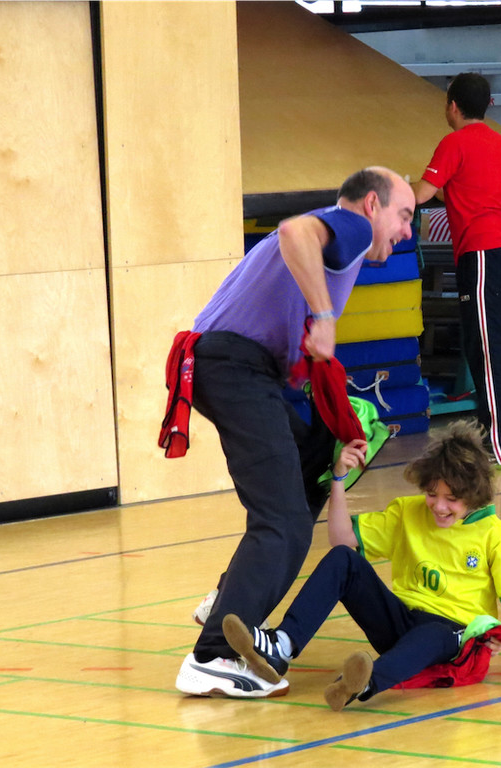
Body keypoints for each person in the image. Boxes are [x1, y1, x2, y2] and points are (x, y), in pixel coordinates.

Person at [174, 167, 416, 698]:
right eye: (404, 215)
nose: (406, 231)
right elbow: (293, 231)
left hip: (233, 367)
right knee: (283, 523)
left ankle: (228, 602)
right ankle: (212, 657)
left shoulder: (337, 240)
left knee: (311, 466)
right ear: (371, 205)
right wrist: (325, 316)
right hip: (235, 368)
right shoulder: (351, 228)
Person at [221, 420, 501, 709]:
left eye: (451, 499)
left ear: (474, 495)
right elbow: (341, 539)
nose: (439, 506)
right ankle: (281, 646)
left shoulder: (494, 535)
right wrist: (339, 479)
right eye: (432, 494)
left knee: (433, 635)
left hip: (453, 634)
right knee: (344, 559)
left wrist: (498, 636)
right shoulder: (407, 512)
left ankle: (363, 682)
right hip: (401, 622)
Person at [413, 72, 501, 469]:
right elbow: (463, 190)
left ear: (452, 106)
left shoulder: (454, 142)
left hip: (483, 255)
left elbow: (421, 194)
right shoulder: (500, 144)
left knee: (485, 350)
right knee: (491, 347)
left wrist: (382, 189)